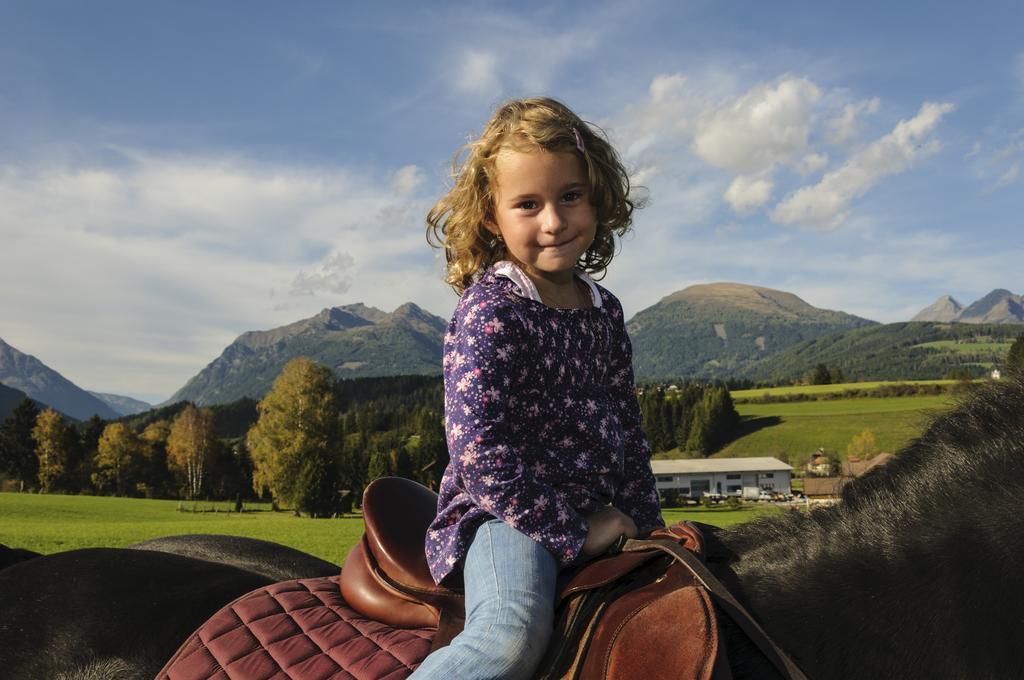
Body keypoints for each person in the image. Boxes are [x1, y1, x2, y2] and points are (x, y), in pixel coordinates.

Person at [411, 97, 665, 680]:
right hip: (506, 519)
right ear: (492, 218)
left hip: (598, 508)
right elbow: (482, 456)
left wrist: (645, 522)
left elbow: (627, 426)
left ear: (597, 199)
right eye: (528, 205)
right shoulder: (492, 311)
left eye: (569, 196)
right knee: (508, 640)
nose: (553, 221)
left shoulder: (605, 312)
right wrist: (574, 531)